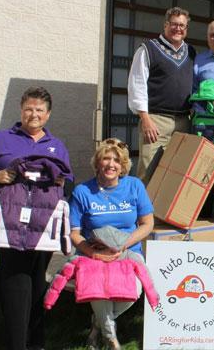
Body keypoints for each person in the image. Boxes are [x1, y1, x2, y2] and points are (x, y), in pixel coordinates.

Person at [0, 86, 74, 350]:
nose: (34, 114)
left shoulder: (56, 146)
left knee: (38, 286)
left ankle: (36, 342)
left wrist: (63, 181)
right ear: (21, 110)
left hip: (42, 229)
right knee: (16, 288)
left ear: (48, 114)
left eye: (39, 110)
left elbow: (70, 183)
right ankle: (16, 344)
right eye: (29, 108)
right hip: (10, 226)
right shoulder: (0, 139)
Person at [69, 138, 154, 350]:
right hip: (94, 254)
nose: (111, 164)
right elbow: (74, 233)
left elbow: (147, 224)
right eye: (106, 158)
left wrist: (122, 245)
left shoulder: (134, 186)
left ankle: (97, 325)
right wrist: (93, 253)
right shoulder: (82, 191)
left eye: (116, 160)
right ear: (97, 163)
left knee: (133, 292)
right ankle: (111, 339)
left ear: (123, 165)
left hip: (127, 251)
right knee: (99, 290)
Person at [128, 7, 195, 181]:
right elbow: (137, 85)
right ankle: (145, 209)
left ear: (186, 29)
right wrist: (145, 119)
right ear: (165, 25)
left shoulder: (191, 52)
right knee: (149, 170)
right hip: (155, 122)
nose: (178, 29)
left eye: (182, 25)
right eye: (174, 24)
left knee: (177, 174)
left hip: (183, 122)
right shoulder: (147, 49)